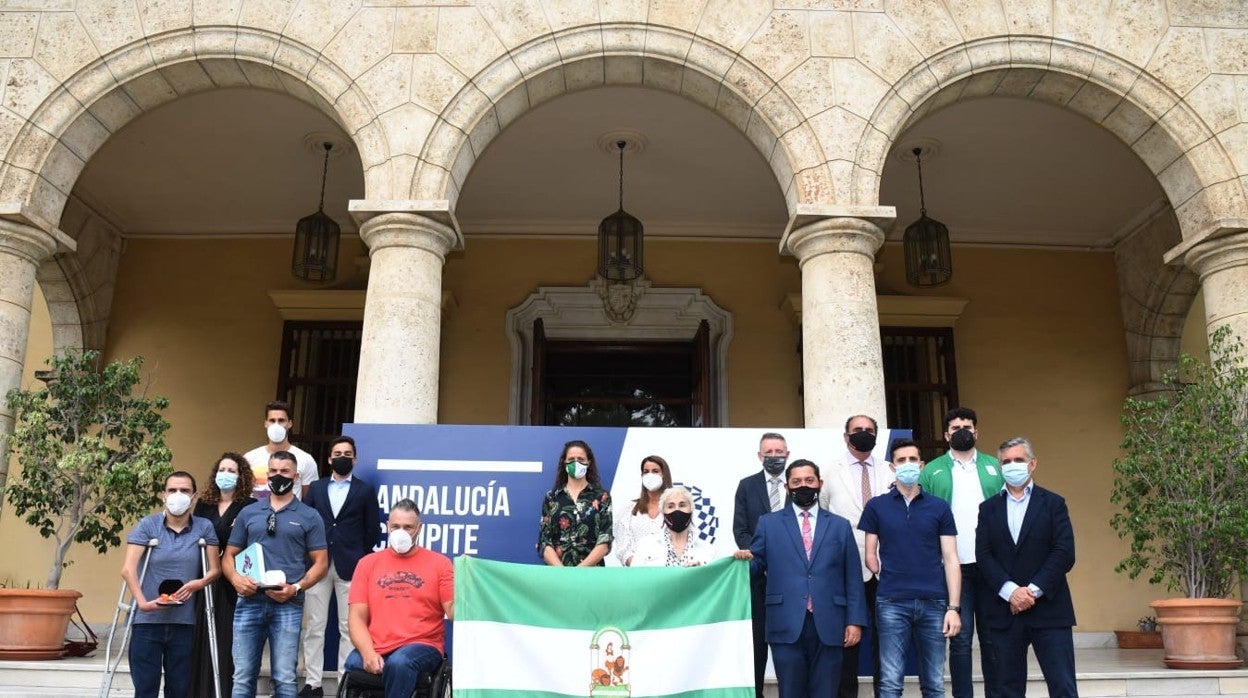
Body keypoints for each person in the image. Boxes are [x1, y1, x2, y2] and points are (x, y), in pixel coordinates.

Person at [733, 459, 869, 698]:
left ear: (820, 484)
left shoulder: (840, 526)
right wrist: (739, 563)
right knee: (791, 692)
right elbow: (756, 566)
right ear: (787, 487)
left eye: (809, 480)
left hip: (830, 623)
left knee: (827, 692)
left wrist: (855, 620)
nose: (803, 486)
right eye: (796, 482)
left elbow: (853, 577)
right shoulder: (768, 524)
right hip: (785, 623)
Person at [858, 439, 962, 698]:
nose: (907, 465)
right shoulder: (876, 506)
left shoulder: (939, 507)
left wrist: (954, 608)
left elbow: (951, 558)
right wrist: (891, 575)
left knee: (935, 684)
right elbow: (870, 555)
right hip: (892, 602)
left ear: (921, 465)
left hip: (935, 602)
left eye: (912, 460)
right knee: (891, 682)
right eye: (901, 461)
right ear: (892, 467)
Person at [975, 438, 1078, 698]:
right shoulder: (988, 509)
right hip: (1004, 612)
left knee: (1063, 686)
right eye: (1006, 462)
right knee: (1006, 690)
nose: (1012, 466)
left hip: (1050, 611)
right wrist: (1010, 592)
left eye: (1018, 460)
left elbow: (1064, 553)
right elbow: (984, 555)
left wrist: (1031, 592)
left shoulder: (1054, 503)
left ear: (1032, 463)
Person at [224, 451, 329, 698]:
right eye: (273, 471)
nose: (278, 476)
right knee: (242, 678)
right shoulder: (249, 513)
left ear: (296, 476)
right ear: (267, 474)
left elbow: (321, 563)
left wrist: (297, 588)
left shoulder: (309, 515)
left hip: (288, 603)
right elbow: (228, 556)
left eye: (284, 471)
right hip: (249, 601)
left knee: (284, 678)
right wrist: (237, 579)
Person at [918, 407, 1005, 698]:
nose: (962, 431)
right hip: (953, 567)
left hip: (993, 566)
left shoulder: (996, 467)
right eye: (955, 428)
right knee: (961, 638)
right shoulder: (932, 470)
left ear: (977, 432)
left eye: (967, 426)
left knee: (994, 637)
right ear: (946, 435)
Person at [121, 471, 221, 698]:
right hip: (147, 622)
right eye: (172, 490)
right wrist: (143, 604)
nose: (178, 495)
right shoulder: (148, 525)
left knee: (179, 689)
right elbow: (128, 569)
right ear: (163, 496)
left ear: (194, 497)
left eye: (185, 491)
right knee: (146, 689)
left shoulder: (203, 527)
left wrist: (199, 583)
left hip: (184, 623)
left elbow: (214, 569)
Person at [299, 436, 381, 698]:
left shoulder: (365, 491)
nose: (342, 457)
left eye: (347, 453)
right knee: (314, 626)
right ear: (329, 458)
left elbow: (372, 531)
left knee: (350, 627)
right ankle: (313, 683)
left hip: (351, 566)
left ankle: (347, 683)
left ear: (355, 459)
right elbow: (305, 525)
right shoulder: (317, 489)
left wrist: (361, 559)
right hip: (318, 565)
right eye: (337, 453)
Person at [345, 499, 453, 698]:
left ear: (419, 529)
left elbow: (453, 611)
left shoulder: (441, 564)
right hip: (378, 644)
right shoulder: (367, 564)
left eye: (408, 527)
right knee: (352, 662)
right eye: (395, 526)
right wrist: (368, 653)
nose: (401, 532)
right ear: (387, 526)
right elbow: (356, 617)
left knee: (399, 663)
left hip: (422, 644)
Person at [819, 415, 895, 698]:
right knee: (847, 641)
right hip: (844, 569)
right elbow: (824, 515)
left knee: (886, 641)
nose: (863, 434)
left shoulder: (891, 470)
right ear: (846, 436)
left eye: (869, 430)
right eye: (857, 430)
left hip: (887, 568)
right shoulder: (830, 471)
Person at [190, 453, 257, 697]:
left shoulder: (249, 506)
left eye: (231, 470)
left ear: (241, 476)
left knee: (226, 637)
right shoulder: (204, 504)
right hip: (205, 577)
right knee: (201, 635)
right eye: (222, 469)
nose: (225, 474)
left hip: (231, 580)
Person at [733, 431, 790, 698]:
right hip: (757, 579)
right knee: (756, 646)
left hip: (793, 580)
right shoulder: (747, 485)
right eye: (769, 452)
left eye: (780, 452)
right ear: (760, 456)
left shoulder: (799, 483)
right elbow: (741, 530)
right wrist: (763, 559)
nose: (775, 457)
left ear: (787, 454)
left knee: (790, 649)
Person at [537, 440, 613, 567]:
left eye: (581, 459)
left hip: (591, 576)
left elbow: (605, 540)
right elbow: (544, 541)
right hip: (558, 576)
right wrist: (563, 572)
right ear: (564, 462)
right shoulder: (551, 497)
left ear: (589, 462)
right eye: (571, 459)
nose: (576, 462)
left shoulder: (602, 497)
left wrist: (579, 571)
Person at [243, 400, 319, 499]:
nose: (276, 425)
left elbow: (309, 499)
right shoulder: (249, 458)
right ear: (265, 423)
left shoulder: (305, 459)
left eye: (281, 420)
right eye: (272, 421)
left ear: (290, 424)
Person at [631, 486, 713, 567]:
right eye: (670, 506)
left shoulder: (706, 549)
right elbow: (635, 577)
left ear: (691, 510)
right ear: (663, 512)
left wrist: (699, 573)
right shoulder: (646, 545)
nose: (677, 510)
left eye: (682, 505)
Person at [612, 455, 672, 566]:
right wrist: (638, 565)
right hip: (637, 574)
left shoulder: (676, 508)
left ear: (664, 474)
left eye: (655, 471)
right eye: (646, 472)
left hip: (669, 573)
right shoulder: (629, 510)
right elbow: (623, 549)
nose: (650, 475)